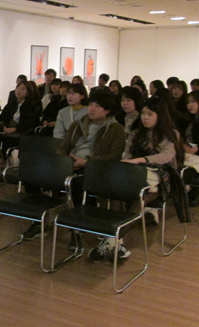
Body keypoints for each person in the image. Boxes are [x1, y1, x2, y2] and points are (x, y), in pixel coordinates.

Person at [23, 92, 126, 242]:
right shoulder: (78, 124)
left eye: (97, 106)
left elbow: (114, 156)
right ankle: (39, 221)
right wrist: (66, 161)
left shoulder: (116, 129)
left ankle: (77, 229)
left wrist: (87, 162)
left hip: (94, 167)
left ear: (107, 111)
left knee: (77, 183)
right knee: (32, 175)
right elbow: (63, 147)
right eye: (91, 105)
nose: (92, 109)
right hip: (70, 163)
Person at [98, 97, 186, 262]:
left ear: (160, 115)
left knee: (140, 198)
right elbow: (127, 155)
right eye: (144, 113)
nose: (145, 117)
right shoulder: (136, 133)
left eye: (150, 114)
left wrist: (140, 160)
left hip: (163, 178)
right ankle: (116, 242)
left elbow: (166, 157)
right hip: (137, 174)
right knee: (116, 192)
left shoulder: (170, 134)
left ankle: (112, 238)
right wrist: (131, 162)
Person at [0, 81, 41, 175]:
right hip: (9, 130)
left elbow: (29, 122)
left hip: (23, 132)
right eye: (17, 88)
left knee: (8, 141)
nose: (18, 91)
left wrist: (15, 128)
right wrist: (3, 126)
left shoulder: (31, 105)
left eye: (22, 89)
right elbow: (3, 116)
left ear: (28, 92)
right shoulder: (12, 103)